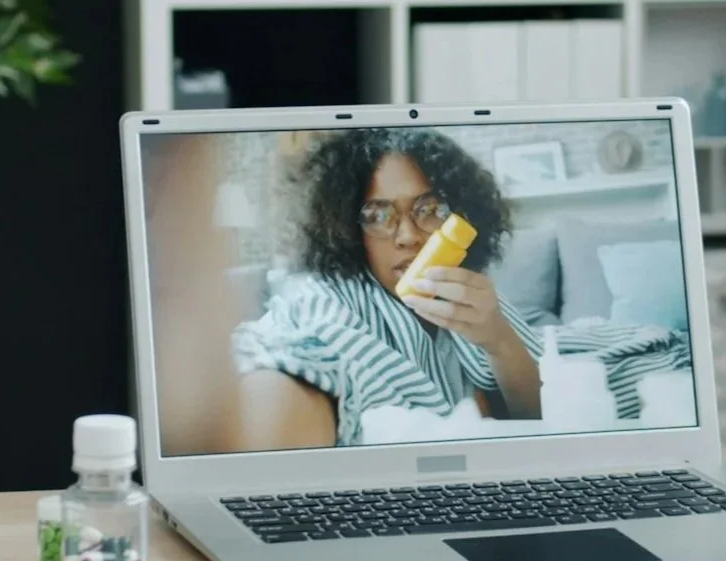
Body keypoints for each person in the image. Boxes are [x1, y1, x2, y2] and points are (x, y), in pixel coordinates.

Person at [227, 128, 543, 451]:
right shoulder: (328, 306)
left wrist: (500, 341)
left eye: (430, 208)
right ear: (348, 228)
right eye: (377, 215)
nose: (407, 236)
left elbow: (539, 417)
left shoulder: (476, 296)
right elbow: (298, 363)